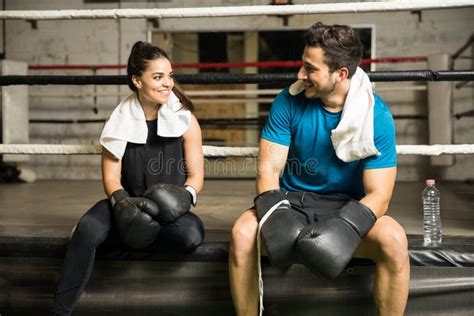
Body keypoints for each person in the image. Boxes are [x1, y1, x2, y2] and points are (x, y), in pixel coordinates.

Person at [229, 22, 409, 316]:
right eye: (303, 65)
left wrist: (345, 227)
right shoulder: (287, 101)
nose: (301, 75)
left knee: (395, 240)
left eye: (310, 69)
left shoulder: (376, 115)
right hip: (292, 199)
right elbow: (267, 172)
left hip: (347, 205)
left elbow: (380, 195)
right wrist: (278, 214)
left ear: (340, 74)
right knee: (241, 233)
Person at [52, 41, 205, 315]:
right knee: (87, 229)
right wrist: (123, 206)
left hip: (169, 211)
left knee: (192, 234)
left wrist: (185, 196)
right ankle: (59, 312)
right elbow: (111, 177)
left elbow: (196, 174)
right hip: (127, 204)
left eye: (169, 76)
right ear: (137, 80)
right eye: (158, 77)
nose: (168, 83)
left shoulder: (185, 119)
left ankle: (133, 235)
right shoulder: (119, 121)